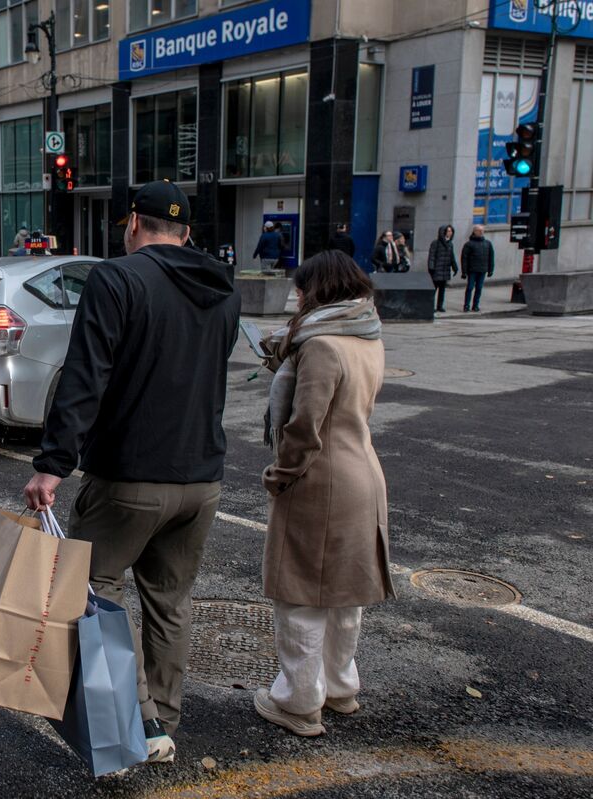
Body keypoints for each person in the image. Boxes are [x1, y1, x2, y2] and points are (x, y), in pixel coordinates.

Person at [22, 180, 241, 765]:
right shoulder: (224, 291)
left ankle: (134, 720)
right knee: (170, 600)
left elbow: (84, 376)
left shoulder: (116, 279)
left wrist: (52, 465)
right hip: (202, 478)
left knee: (96, 589)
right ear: (187, 234)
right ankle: (163, 721)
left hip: (129, 477)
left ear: (133, 226)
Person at [255, 250, 392, 737]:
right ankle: (340, 686)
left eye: (302, 287)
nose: (297, 295)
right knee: (341, 596)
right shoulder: (367, 335)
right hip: (363, 474)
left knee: (301, 596)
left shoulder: (321, 346)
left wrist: (280, 474)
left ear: (319, 289)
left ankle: (299, 701)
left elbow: (304, 425)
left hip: (321, 480)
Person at [461, 224, 494, 312]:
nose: (481, 232)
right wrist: (464, 271)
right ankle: (466, 305)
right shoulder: (469, 244)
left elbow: (491, 257)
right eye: (479, 230)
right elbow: (464, 258)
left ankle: (475, 305)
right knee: (470, 287)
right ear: (475, 232)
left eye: (482, 230)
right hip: (472, 270)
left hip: (482, 270)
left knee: (479, 288)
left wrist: (490, 269)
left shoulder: (487, 243)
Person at [426, 225, 459, 313]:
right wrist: (431, 267)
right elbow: (432, 256)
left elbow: (452, 257)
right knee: (434, 289)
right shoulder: (435, 243)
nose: (450, 233)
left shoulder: (450, 244)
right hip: (437, 270)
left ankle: (440, 306)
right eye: (448, 231)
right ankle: (430, 306)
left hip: (445, 270)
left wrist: (455, 267)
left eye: (451, 231)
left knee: (442, 290)